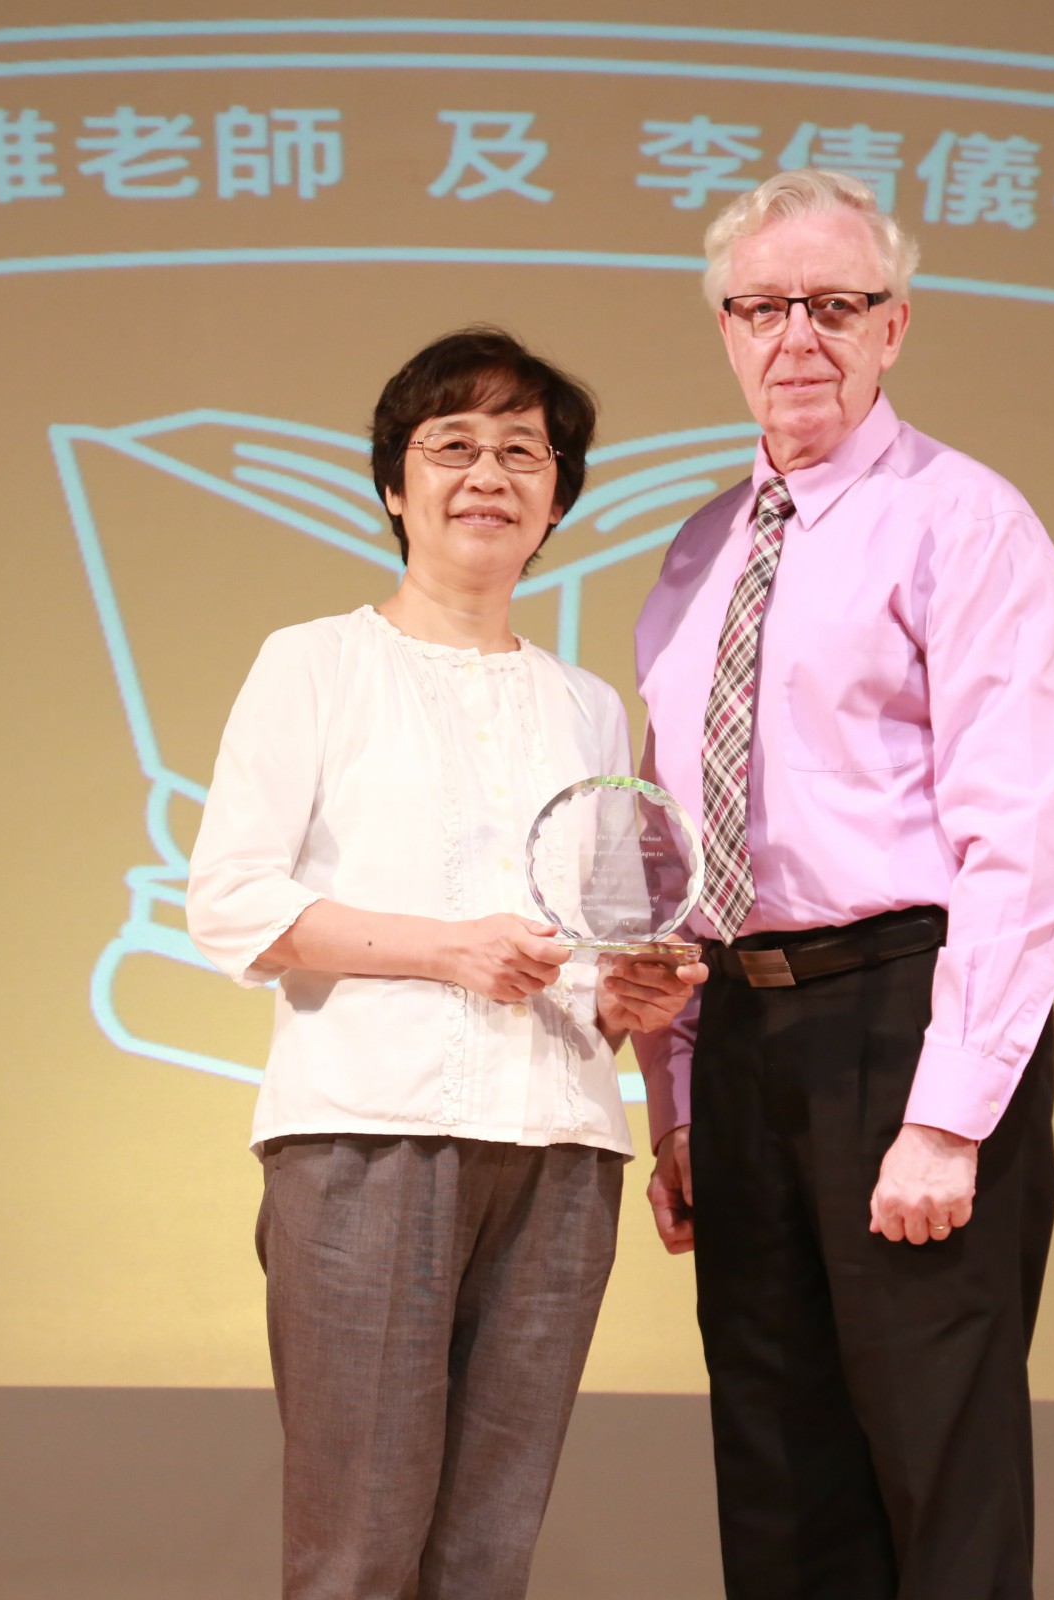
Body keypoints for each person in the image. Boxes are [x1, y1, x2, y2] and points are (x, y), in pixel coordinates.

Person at [184, 326, 706, 1600]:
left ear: (558, 500)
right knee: (358, 1550)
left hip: (561, 1147)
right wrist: (446, 950)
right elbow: (233, 903)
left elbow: (586, 940)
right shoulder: (314, 662)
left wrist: (621, 988)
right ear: (392, 484)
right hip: (368, 1133)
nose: (489, 474)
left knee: (487, 1554)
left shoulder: (586, 704)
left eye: (524, 452)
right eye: (453, 445)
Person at [631, 170, 1054, 1599]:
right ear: (724, 329)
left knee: (937, 1462)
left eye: (834, 304)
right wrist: (679, 1098)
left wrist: (949, 1117)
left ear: (895, 325)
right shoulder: (696, 552)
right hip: (743, 1034)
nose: (798, 337)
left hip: (906, 1015)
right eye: (763, 307)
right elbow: (672, 854)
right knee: (775, 1465)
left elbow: (1018, 843)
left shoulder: (966, 520)